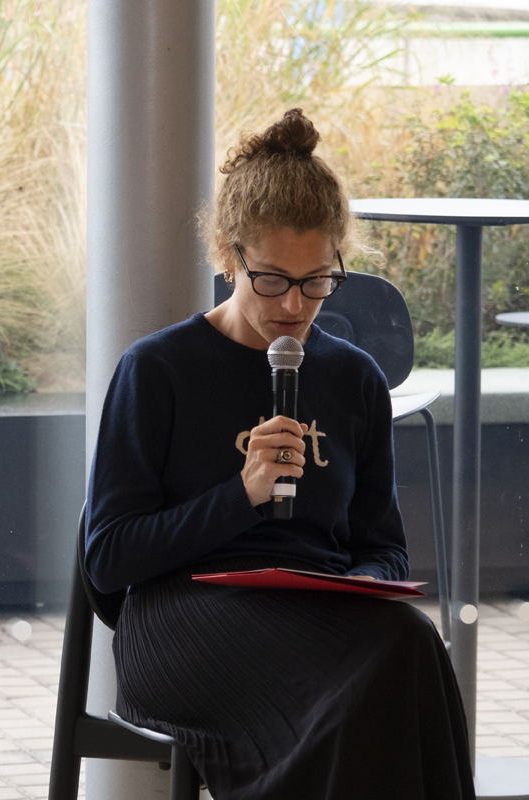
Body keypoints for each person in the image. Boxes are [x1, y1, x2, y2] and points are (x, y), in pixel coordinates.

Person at [84, 109, 475, 799]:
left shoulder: (354, 379)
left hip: (318, 617)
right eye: (271, 279)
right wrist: (241, 495)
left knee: (406, 643)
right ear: (229, 255)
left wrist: (361, 587)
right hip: (183, 618)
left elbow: (384, 547)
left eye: (317, 280)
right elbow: (109, 559)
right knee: (372, 678)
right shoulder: (159, 369)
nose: (295, 305)